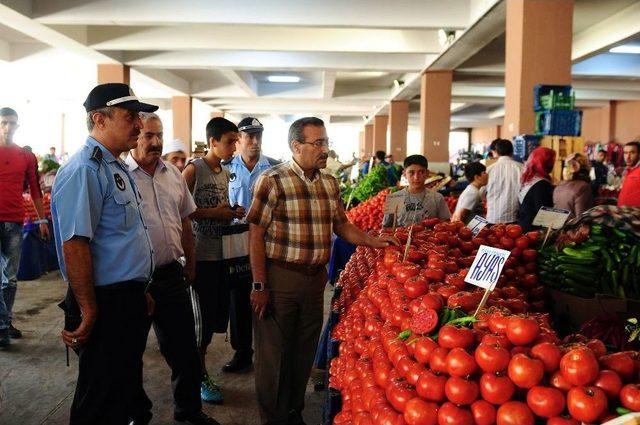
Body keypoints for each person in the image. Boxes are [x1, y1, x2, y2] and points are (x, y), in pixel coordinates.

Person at [247, 116, 398, 425]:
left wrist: (372, 240)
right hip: (280, 278)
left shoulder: (329, 182)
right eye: (318, 143)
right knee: (274, 356)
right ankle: (273, 419)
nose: (324, 149)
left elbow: (341, 224)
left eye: (326, 142)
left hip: (315, 281)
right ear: (296, 146)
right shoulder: (272, 180)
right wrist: (260, 285)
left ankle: (293, 412)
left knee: (302, 353)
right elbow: (255, 235)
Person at [50, 83, 156, 424]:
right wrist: (88, 308)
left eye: (139, 117)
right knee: (99, 395)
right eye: (130, 117)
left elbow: (123, 239)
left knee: (124, 386)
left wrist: (141, 291)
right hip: (104, 300)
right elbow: (75, 244)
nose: (139, 126)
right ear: (100, 120)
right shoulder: (85, 169)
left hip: (126, 297)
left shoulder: (115, 166)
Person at [126, 113, 219, 425]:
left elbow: (184, 222)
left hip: (171, 275)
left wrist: (190, 264)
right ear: (135, 136)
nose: (156, 142)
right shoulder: (121, 176)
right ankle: (138, 415)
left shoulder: (173, 175)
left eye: (159, 135)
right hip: (134, 280)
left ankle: (188, 411)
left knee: (184, 350)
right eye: (149, 135)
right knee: (130, 354)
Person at [183, 117, 243, 404]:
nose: (235, 147)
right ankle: (198, 376)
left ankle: (197, 370)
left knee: (217, 319)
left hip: (222, 256)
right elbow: (180, 210)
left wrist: (230, 211)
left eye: (236, 141)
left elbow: (216, 206)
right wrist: (214, 214)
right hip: (201, 256)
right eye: (230, 141)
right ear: (213, 142)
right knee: (201, 325)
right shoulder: (194, 170)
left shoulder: (224, 171)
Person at [221, 117, 278, 373]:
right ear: (239, 139)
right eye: (249, 137)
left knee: (267, 295)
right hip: (236, 244)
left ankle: (269, 355)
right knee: (239, 300)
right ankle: (243, 352)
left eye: (258, 136)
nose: (255, 141)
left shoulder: (276, 168)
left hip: (267, 243)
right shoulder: (224, 168)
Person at [0, 107, 49, 347]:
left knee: (9, 278)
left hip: (16, 222)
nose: (8, 128)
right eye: (4, 123)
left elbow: (36, 190)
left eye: (12, 123)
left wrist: (41, 220)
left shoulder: (26, 156)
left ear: (18, 126)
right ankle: (1, 326)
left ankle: (5, 322)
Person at [383, 154, 451, 227]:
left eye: (421, 172)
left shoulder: (437, 198)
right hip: (400, 238)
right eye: (411, 173)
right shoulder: (394, 198)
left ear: (427, 173)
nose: (416, 178)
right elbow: (386, 227)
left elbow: (446, 225)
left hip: (428, 238)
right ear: (404, 174)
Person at [517, 147, 556, 232]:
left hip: (524, 226)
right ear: (546, 163)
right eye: (552, 162)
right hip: (533, 232)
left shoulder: (530, 179)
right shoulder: (541, 184)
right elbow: (545, 214)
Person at [485, 139, 524, 224]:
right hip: (514, 218)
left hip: (493, 217)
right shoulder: (521, 168)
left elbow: (481, 192)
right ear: (512, 152)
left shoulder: (489, 169)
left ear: (497, 152)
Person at [554, 153, 594, 219]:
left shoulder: (558, 186)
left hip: (558, 228)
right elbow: (581, 219)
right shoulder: (583, 187)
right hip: (573, 228)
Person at [618, 141, 640, 207]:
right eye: (625, 153)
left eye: (632, 153)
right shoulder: (626, 171)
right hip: (623, 212)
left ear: (639, 154)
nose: (628, 157)